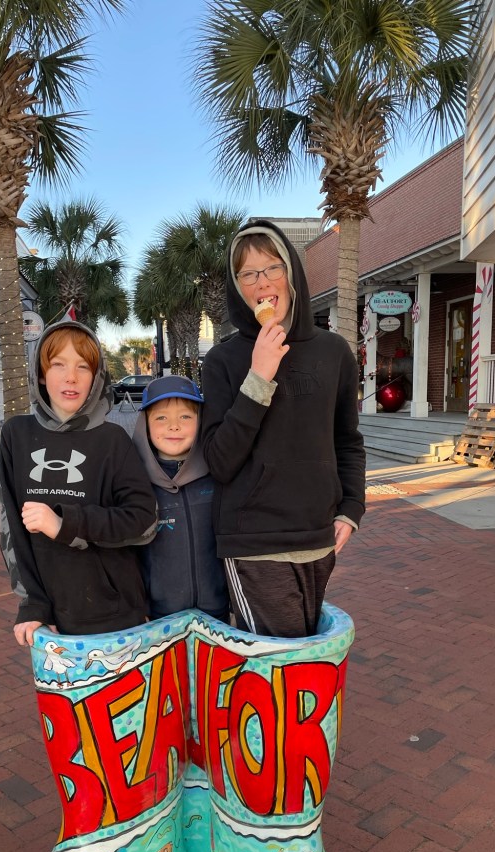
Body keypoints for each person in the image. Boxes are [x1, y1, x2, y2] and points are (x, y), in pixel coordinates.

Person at [200, 218, 365, 638]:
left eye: (272, 267)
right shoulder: (222, 361)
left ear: (291, 274)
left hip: (318, 535)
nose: (262, 282)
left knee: (303, 657)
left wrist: (351, 508)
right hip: (254, 542)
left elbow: (347, 440)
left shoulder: (333, 351)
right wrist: (258, 376)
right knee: (282, 661)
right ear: (237, 286)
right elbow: (219, 460)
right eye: (248, 274)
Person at [0, 320, 157, 645]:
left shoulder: (113, 439)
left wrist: (65, 524)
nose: (71, 377)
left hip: (117, 611)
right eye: (58, 364)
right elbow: (10, 529)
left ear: (96, 378)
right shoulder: (16, 435)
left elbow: (144, 522)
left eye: (83, 366)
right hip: (52, 617)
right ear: (41, 374)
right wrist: (32, 604)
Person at [132, 375, 229, 622]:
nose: (173, 426)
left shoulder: (218, 476)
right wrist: (140, 607)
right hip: (159, 617)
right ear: (145, 425)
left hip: (216, 614)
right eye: (161, 417)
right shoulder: (134, 483)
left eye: (185, 417)